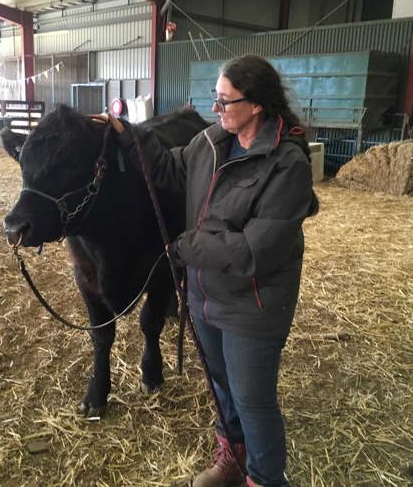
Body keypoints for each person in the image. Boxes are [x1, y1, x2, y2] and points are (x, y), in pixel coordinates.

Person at [93, 55, 319, 487]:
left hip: (253, 303)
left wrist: (185, 247)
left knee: (253, 401)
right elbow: (167, 167)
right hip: (205, 296)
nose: (215, 109)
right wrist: (127, 134)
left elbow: (257, 251)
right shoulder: (212, 141)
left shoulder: (286, 164)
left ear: (255, 105)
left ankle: (265, 478)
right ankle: (231, 456)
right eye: (214, 99)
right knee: (222, 389)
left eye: (224, 100)